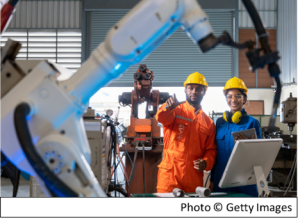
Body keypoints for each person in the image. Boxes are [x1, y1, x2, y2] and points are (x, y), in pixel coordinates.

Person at [155, 72, 217, 193]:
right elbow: (161, 118)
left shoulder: (208, 123)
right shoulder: (175, 110)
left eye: (199, 89)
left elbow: (211, 150)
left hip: (193, 176)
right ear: (185, 90)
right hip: (170, 176)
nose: (194, 91)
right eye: (190, 88)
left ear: (204, 92)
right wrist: (168, 107)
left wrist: (206, 162)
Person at [209, 77, 261, 197]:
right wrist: (212, 180)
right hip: (221, 178)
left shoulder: (252, 123)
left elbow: (259, 155)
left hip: (245, 181)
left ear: (244, 99)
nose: (233, 99)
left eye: (238, 96)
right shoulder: (220, 122)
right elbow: (215, 152)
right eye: (229, 96)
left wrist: (249, 144)